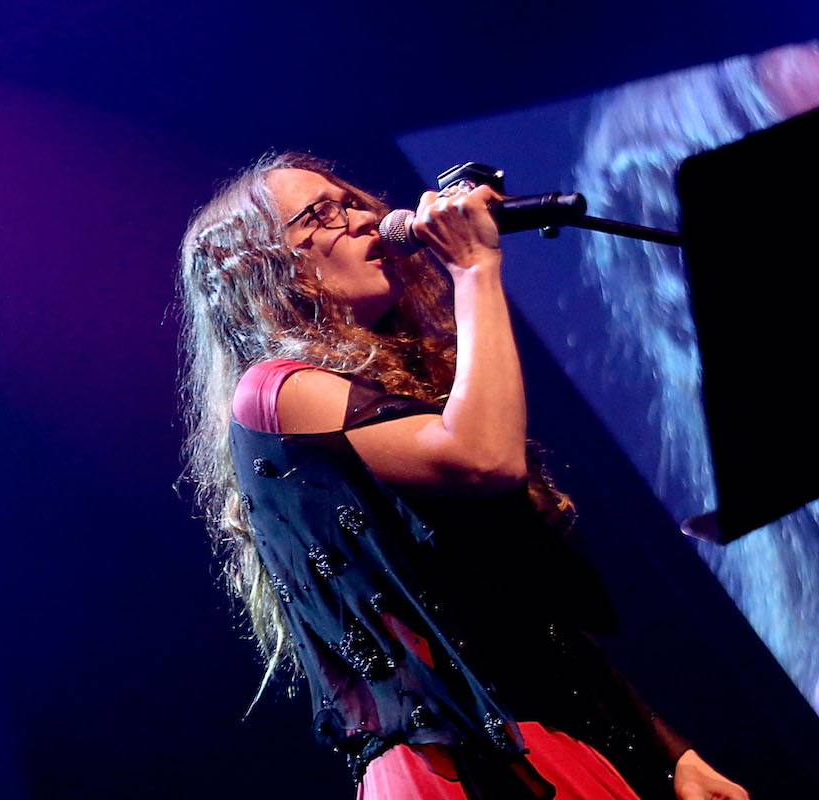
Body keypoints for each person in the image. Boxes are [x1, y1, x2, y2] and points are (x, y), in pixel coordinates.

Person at [177, 152, 749, 799]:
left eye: (354, 201)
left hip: (555, 741)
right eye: (322, 214)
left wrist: (670, 753)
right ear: (262, 271)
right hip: (459, 768)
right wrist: (476, 269)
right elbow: (484, 460)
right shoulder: (272, 392)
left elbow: (519, 618)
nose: (363, 219)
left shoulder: (395, 392)